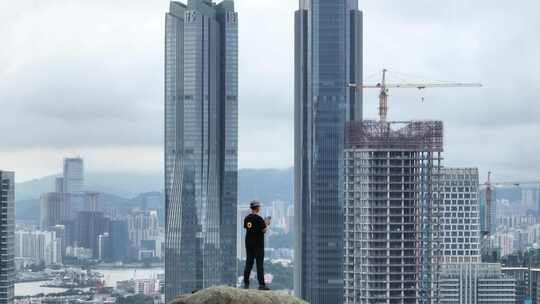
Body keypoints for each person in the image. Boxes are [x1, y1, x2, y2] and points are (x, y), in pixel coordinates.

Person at [243, 200, 271, 290]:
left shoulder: (247, 218)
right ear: (257, 208)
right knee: (259, 264)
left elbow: (248, 228)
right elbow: (263, 230)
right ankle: (261, 285)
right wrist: (266, 223)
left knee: (249, 263)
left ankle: (246, 283)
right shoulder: (259, 219)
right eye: (259, 206)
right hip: (258, 244)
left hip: (248, 243)